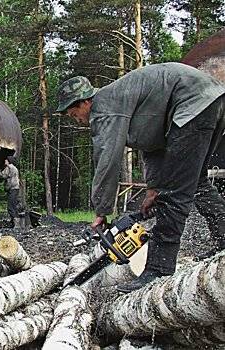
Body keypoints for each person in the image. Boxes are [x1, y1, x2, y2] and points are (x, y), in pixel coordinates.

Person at [55, 62, 225, 293]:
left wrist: (101, 211)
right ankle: (224, 238)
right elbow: (152, 146)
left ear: (85, 102)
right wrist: (152, 189)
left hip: (192, 103)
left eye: (74, 114)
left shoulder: (103, 107)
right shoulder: (122, 102)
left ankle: (158, 269)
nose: (76, 120)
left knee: (174, 194)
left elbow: (107, 160)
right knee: (197, 184)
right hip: (214, 98)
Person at [0, 155, 21, 228]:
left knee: (10, 207)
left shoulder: (9, 168)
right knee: (13, 206)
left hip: (12, 189)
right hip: (15, 188)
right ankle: (14, 223)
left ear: (9, 161)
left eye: (6, 160)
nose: (5, 161)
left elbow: (2, 175)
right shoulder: (14, 168)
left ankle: (16, 224)